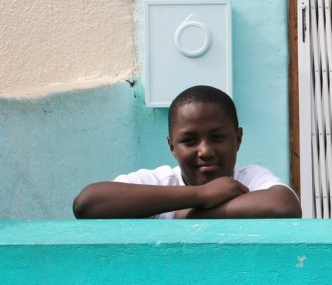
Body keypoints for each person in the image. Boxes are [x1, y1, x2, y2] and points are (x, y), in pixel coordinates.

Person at [73, 85, 302, 219]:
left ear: (238, 139)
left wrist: (188, 216)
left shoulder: (248, 180)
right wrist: (202, 195)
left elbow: (284, 205)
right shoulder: (161, 183)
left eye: (218, 137)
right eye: (189, 141)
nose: (205, 151)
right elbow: (88, 203)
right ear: (172, 146)